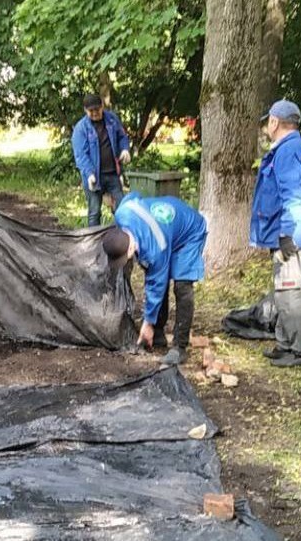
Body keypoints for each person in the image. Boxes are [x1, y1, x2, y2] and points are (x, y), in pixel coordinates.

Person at [102, 192, 207, 365]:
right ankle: (158, 334)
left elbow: (157, 283)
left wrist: (148, 322)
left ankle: (179, 347)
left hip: (189, 232)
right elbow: (133, 196)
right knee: (158, 273)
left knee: (182, 286)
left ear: (131, 248)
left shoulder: (154, 247)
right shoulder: (122, 214)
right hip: (167, 229)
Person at [251, 100, 301, 368]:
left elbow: (293, 196)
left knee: (291, 291)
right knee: (282, 289)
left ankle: (300, 352)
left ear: (275, 122)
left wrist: (286, 234)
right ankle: (284, 344)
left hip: (294, 236)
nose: (267, 125)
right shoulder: (299, 148)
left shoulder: (288, 151)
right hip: (294, 232)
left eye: (268, 121)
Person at [72, 94, 131, 226]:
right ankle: (94, 242)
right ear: (85, 110)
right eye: (90, 111)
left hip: (113, 174)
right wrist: (89, 174)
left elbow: (122, 136)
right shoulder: (81, 128)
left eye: (97, 109)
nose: (94, 113)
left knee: (122, 209)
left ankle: (125, 239)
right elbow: (81, 155)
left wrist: (125, 149)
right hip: (94, 177)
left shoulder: (112, 120)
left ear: (102, 106)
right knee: (94, 212)